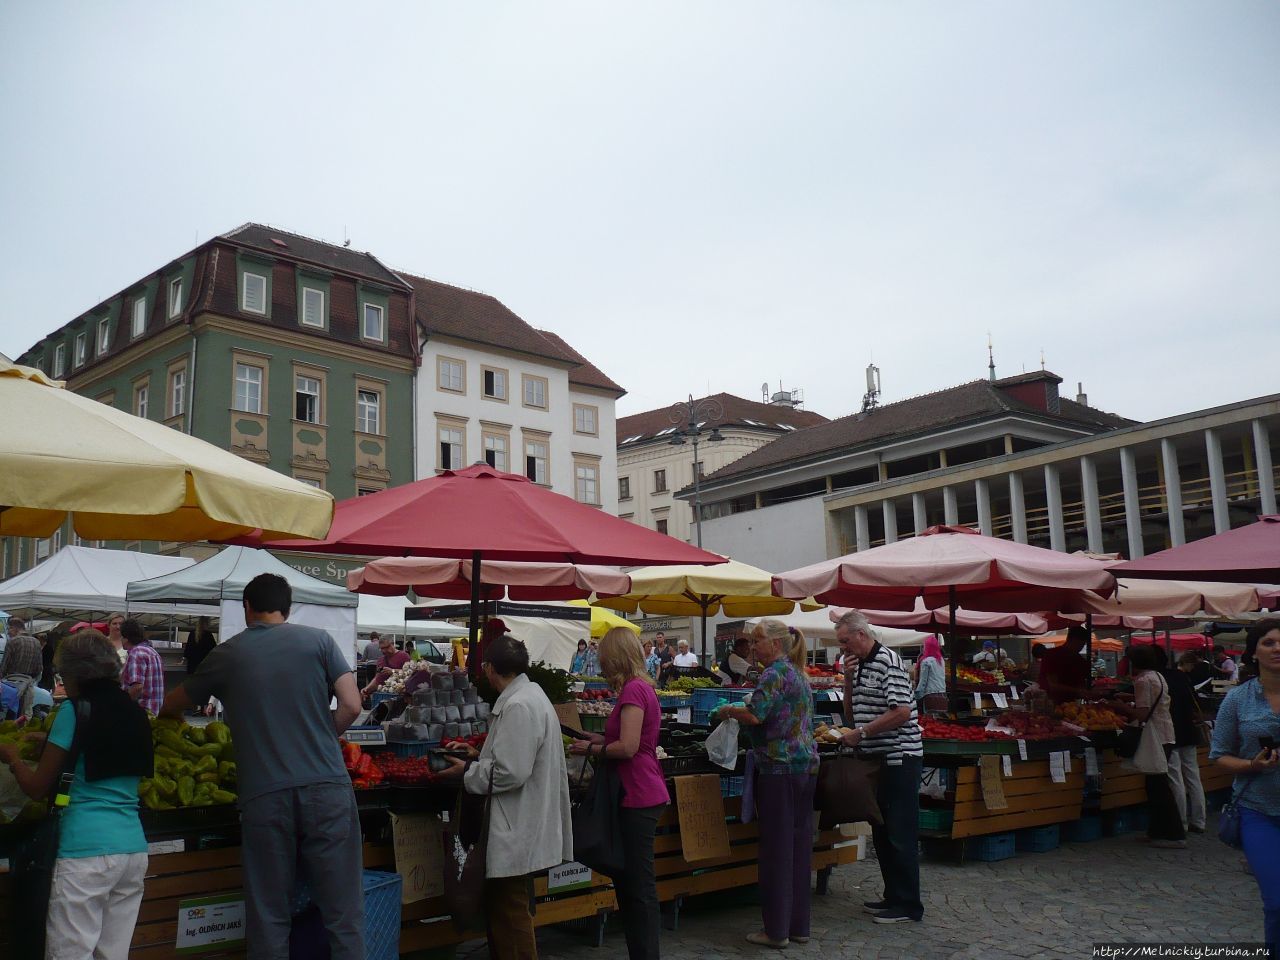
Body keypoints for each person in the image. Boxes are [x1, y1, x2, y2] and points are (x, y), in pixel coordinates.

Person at [159, 573, 364, 959]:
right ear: (287, 609)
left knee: (270, 914)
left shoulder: (227, 654)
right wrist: (321, 733)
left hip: (265, 797)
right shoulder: (319, 641)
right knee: (343, 913)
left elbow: (172, 703)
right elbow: (352, 705)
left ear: (247, 608)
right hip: (327, 789)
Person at [0, 628, 154, 960]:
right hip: (132, 852)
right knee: (111, 955)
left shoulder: (75, 710)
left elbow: (37, 788)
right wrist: (53, 744)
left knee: (70, 954)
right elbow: (105, 754)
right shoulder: (135, 713)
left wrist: (13, 758)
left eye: (63, 674)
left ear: (76, 673)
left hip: (85, 853)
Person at [438, 634, 571, 960]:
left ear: (488, 668)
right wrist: (478, 754)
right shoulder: (530, 696)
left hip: (516, 828)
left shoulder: (519, 705)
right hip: (522, 824)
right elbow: (513, 756)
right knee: (504, 911)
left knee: (511, 914)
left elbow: (510, 772)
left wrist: (468, 772)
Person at [714, 620, 818, 947]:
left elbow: (756, 714)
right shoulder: (799, 673)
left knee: (776, 850)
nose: (754, 648)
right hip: (805, 768)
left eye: (757, 642)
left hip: (778, 768)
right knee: (800, 849)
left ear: (774, 644)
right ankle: (799, 926)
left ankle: (775, 931)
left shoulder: (773, 674)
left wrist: (728, 710)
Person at [570, 628, 668, 960]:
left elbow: (627, 748)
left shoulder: (633, 691)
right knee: (632, 883)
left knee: (637, 887)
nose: (600, 663)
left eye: (603, 657)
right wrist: (595, 739)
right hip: (641, 790)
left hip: (637, 793)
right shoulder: (640, 688)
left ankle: (645, 954)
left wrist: (593, 750)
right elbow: (634, 741)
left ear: (614, 657)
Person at [836, 609, 924, 924]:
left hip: (899, 758)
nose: (843, 648)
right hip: (875, 759)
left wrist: (864, 733)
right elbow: (850, 714)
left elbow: (901, 711)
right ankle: (893, 896)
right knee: (883, 830)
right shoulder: (859, 665)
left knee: (900, 831)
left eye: (846, 642)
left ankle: (909, 905)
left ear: (862, 634)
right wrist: (848, 679)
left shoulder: (888, 662)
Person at [1211, 619, 1280, 957]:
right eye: (1268, 643)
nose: (1277, 648)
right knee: (1278, 901)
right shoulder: (1238, 700)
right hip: (1259, 812)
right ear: (1254, 651)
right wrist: (1253, 765)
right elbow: (1219, 755)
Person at [1110, 644, 1184, 848]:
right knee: (1155, 786)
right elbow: (1154, 702)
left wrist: (1120, 706)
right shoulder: (1158, 676)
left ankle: (1174, 835)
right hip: (1166, 733)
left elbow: (1142, 714)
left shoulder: (1142, 680)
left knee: (1158, 788)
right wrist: (1131, 698)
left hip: (1155, 737)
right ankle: (1157, 832)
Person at [1160, 647, 1207, 834]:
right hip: (1189, 731)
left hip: (1171, 732)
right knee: (1193, 776)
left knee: (1175, 777)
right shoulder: (1183, 679)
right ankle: (1200, 820)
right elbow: (1195, 704)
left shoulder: (1162, 680)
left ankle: (1180, 822)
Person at [119, 619, 165, 716]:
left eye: (121, 637)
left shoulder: (136, 653)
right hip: (155, 710)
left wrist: (122, 704)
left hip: (142, 711)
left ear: (126, 638)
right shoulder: (152, 652)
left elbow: (137, 687)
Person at [1039, 626, 1092, 703]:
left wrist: (1085, 692)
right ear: (1072, 640)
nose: (1081, 647)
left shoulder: (1080, 660)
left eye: (1083, 644)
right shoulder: (1052, 655)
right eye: (1081, 644)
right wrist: (1079, 691)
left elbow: (1081, 685)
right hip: (1052, 704)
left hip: (1073, 706)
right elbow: (1053, 685)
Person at [361, 633, 410, 698]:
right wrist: (367, 689)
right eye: (381, 648)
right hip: (383, 697)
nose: (384, 650)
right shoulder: (380, 660)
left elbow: (411, 674)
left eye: (386, 647)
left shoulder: (404, 656)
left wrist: (393, 671)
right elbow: (377, 679)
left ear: (393, 644)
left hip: (400, 698)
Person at [913, 635, 947, 712]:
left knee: (930, 720)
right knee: (941, 721)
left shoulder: (926, 661)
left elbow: (923, 681)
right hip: (943, 695)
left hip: (930, 695)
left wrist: (916, 695)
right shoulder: (941, 660)